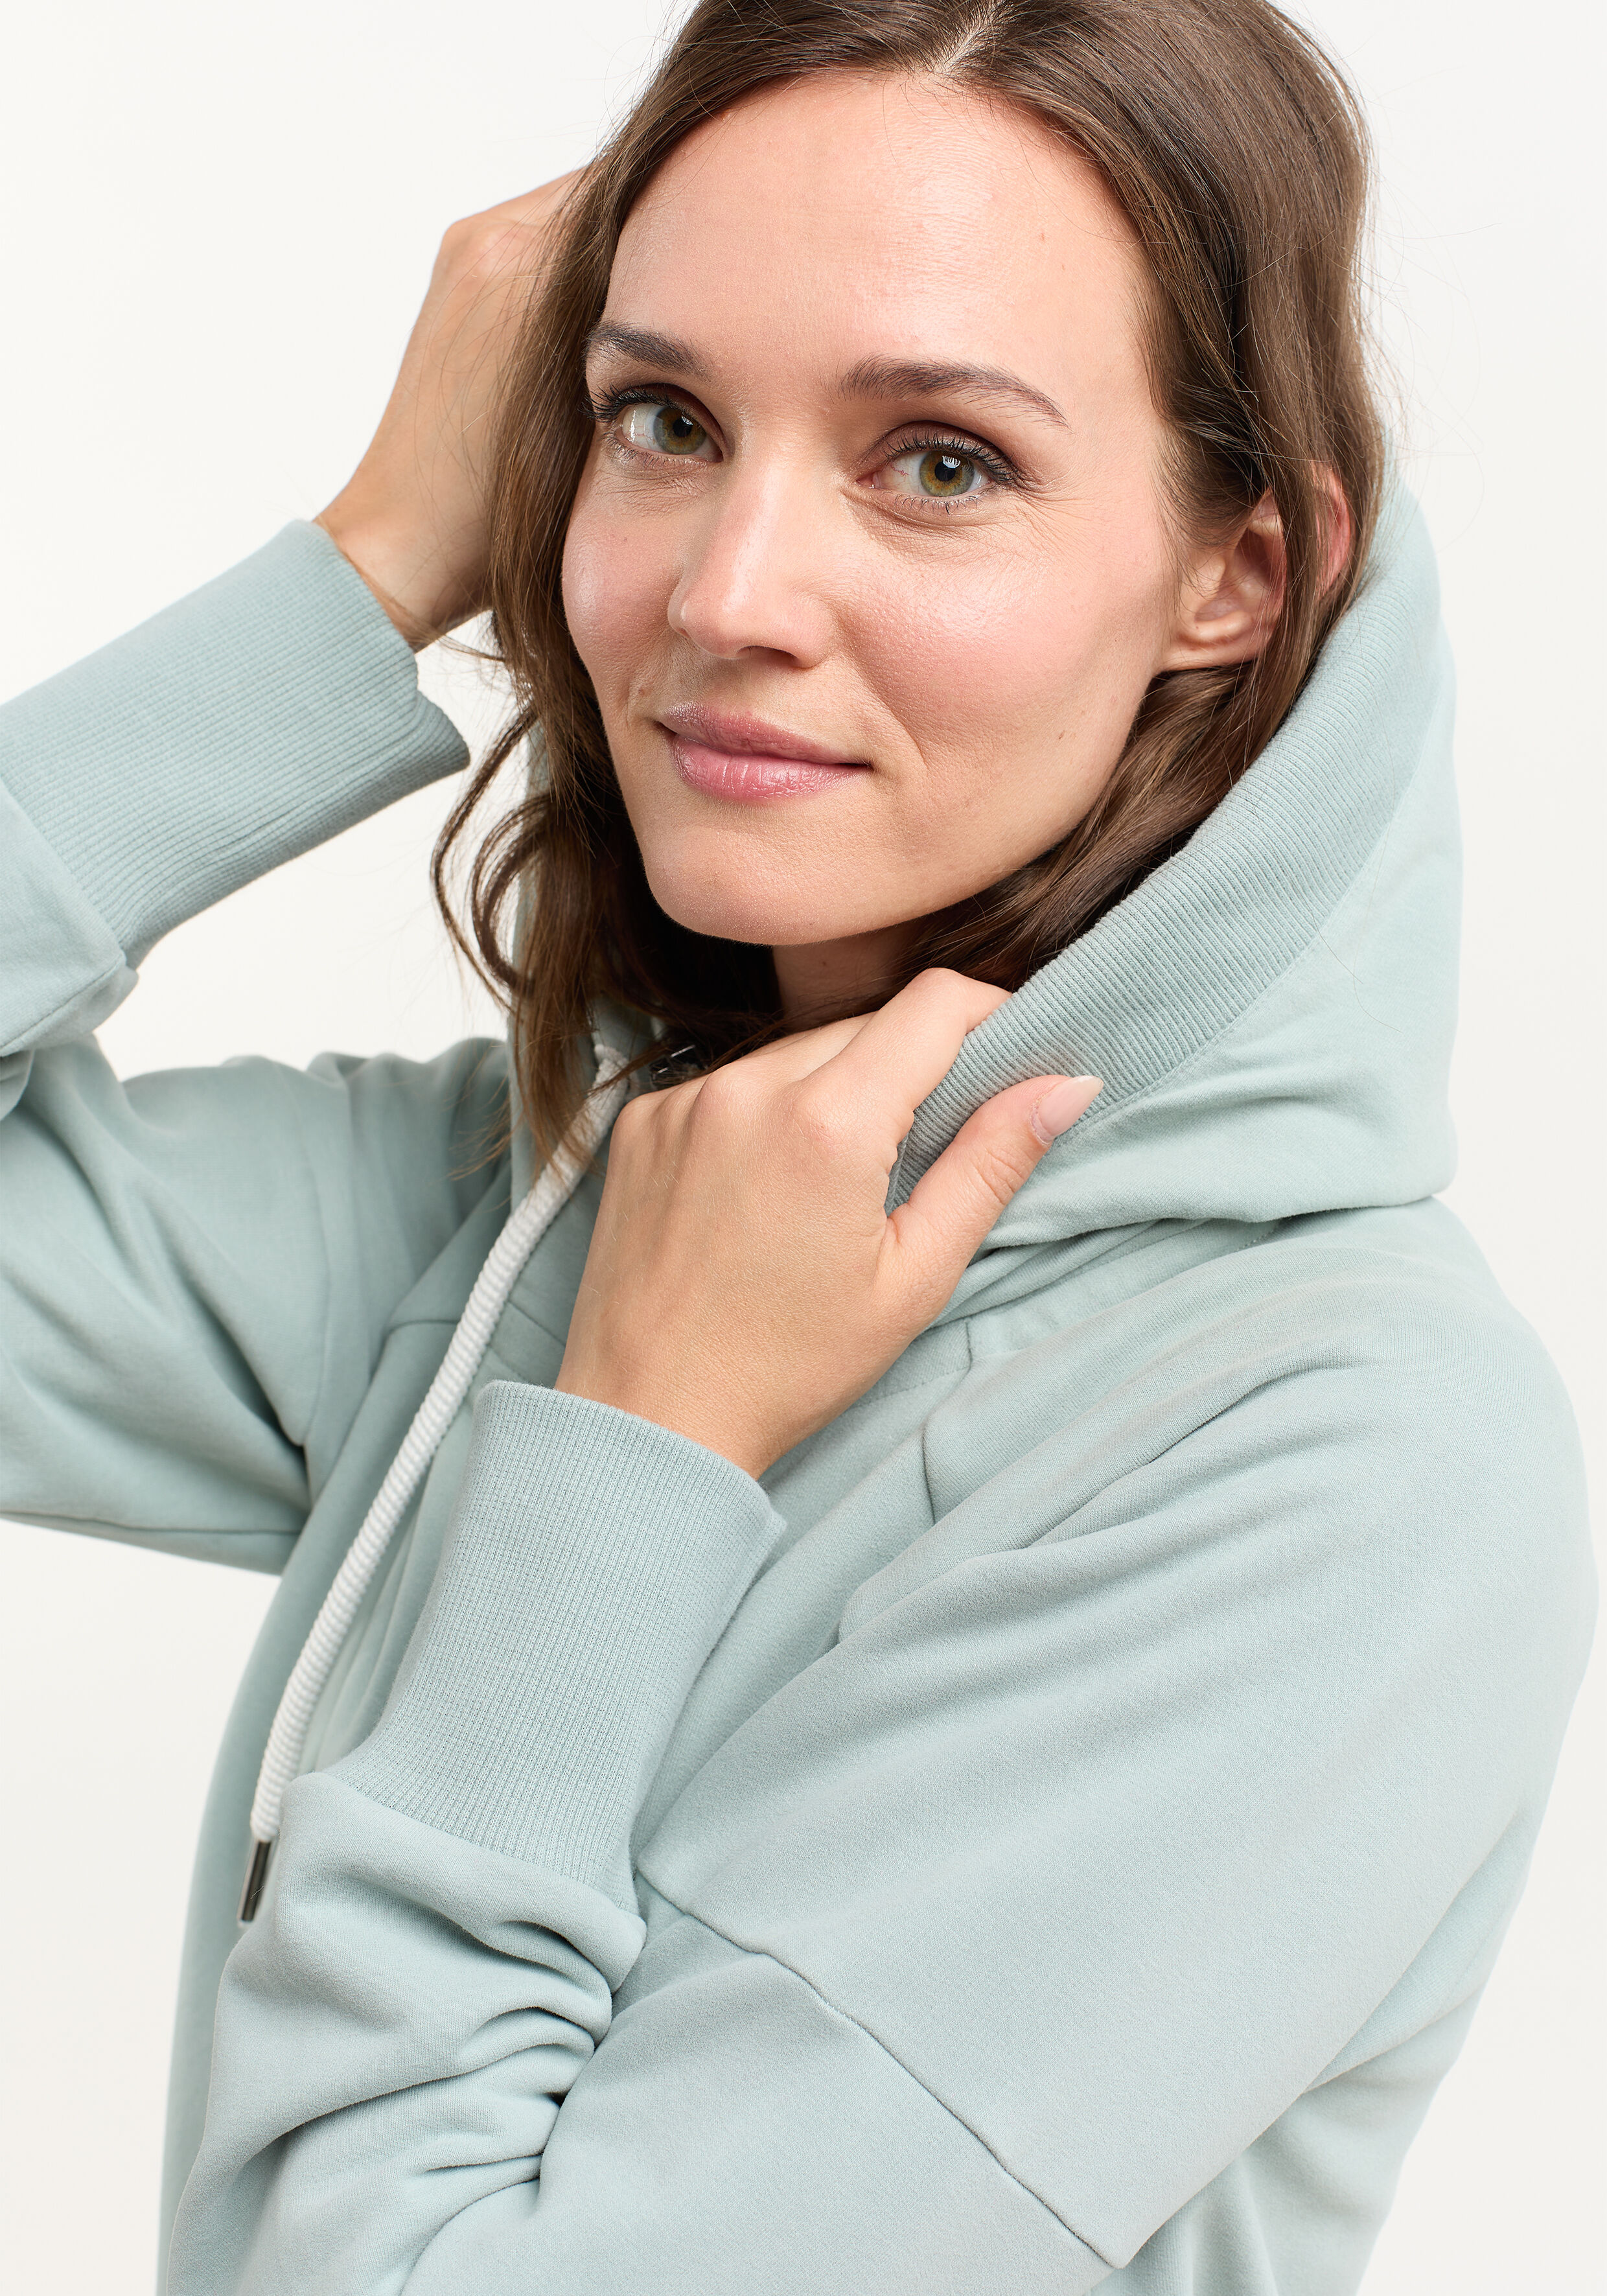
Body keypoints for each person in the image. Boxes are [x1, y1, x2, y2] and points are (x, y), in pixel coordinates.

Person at [0, 0, 1592, 2288]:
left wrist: (632, 1450)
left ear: (1240, 570)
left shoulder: (1343, 1461)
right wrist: (362, 567)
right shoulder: (542, 1217)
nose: (727, 594)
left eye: (940, 460)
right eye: (661, 421)